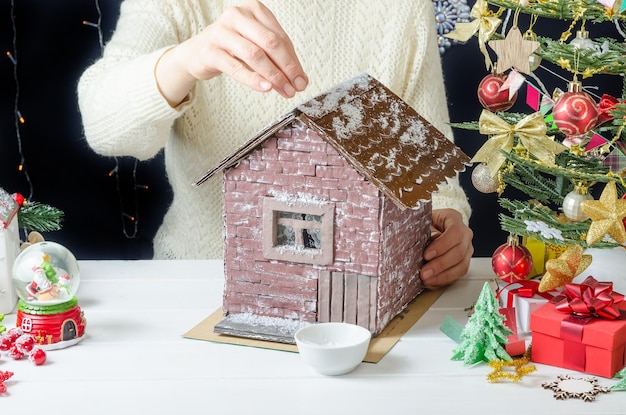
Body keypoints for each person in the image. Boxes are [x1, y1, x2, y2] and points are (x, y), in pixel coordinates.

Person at [77, 0, 474, 288]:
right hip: (197, 284)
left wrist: (446, 230)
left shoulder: (400, 9)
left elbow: (433, 184)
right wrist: (186, 60)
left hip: (354, 298)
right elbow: (104, 125)